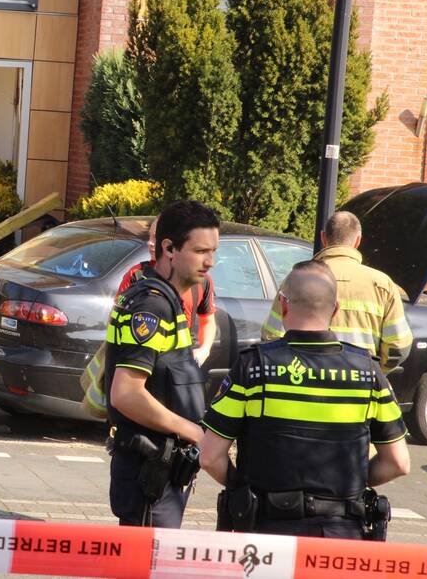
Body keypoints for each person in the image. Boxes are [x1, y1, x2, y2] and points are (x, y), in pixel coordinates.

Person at [201, 260, 411, 539]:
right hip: (341, 537)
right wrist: (349, 484)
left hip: (267, 535)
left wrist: (244, 488)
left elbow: (210, 457)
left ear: (283, 305)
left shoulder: (254, 367)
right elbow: (398, 462)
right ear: (335, 310)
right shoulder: (367, 373)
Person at [104, 200, 219, 528]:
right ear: (168, 248)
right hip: (148, 470)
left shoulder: (168, 300)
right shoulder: (152, 306)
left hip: (162, 469)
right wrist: (193, 432)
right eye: (200, 251)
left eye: (213, 251)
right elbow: (125, 393)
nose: (209, 262)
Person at [261, 211, 412, 373]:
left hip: (306, 383)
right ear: (358, 240)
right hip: (360, 385)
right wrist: (374, 371)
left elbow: (271, 336)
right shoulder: (382, 285)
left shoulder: (298, 279)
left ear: (323, 238)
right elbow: (398, 346)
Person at [117, 217, 217, 366]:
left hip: (178, 366)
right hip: (140, 362)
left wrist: (204, 350)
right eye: (150, 236)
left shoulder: (201, 280)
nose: (150, 243)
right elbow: (115, 322)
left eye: (156, 237)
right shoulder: (136, 275)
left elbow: (208, 320)